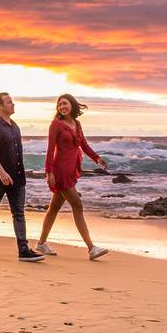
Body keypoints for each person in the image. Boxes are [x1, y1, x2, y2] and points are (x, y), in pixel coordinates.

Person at [0, 92, 45, 262]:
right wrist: (1, 172)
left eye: (12, 102)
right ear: (0, 106)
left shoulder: (15, 127)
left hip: (18, 179)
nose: (13, 104)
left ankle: (23, 249)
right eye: (9, 102)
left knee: (18, 213)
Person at [35, 94, 109, 260]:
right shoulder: (56, 125)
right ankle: (91, 248)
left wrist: (97, 158)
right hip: (60, 170)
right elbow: (50, 149)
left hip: (71, 169)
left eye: (65, 103)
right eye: (59, 104)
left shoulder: (77, 124)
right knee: (77, 205)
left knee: (54, 208)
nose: (62, 106)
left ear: (72, 105)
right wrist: (49, 172)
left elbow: (83, 144)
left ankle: (41, 243)